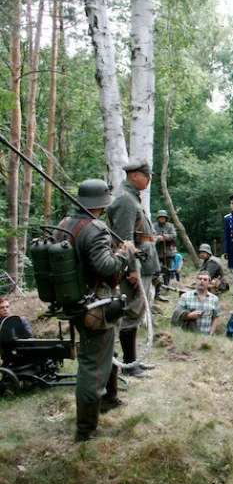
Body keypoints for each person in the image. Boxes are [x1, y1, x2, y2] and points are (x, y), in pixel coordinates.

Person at [58, 179, 134, 441]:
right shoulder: (95, 229)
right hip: (96, 306)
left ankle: (111, 398)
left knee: (105, 352)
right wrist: (125, 255)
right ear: (102, 204)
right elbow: (105, 266)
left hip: (74, 302)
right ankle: (86, 429)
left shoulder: (65, 224)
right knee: (92, 367)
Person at [107, 159, 158, 379]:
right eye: (146, 175)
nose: (148, 179)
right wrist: (131, 270)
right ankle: (129, 364)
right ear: (134, 175)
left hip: (142, 262)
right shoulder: (126, 200)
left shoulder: (130, 197)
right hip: (135, 265)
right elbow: (123, 239)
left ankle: (133, 360)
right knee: (132, 312)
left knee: (137, 313)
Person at [152, 209, 176, 293]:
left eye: (163, 218)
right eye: (160, 217)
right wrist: (158, 238)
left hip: (168, 252)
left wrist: (164, 237)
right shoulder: (153, 226)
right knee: (156, 270)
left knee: (168, 270)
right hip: (157, 252)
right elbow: (152, 236)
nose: (162, 219)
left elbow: (173, 236)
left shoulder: (170, 226)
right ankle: (156, 288)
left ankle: (166, 286)